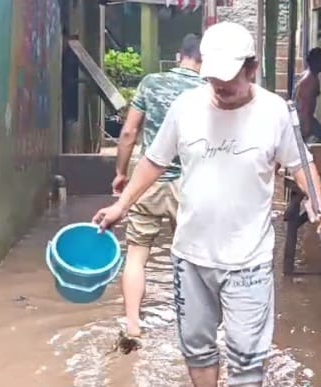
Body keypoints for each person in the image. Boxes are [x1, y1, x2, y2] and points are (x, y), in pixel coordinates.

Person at [93, 22, 321, 387]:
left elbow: (301, 164)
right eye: (213, 81)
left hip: (249, 261)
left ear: (251, 70)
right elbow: (155, 161)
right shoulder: (185, 107)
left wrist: (316, 199)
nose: (220, 90)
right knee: (198, 350)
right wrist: (122, 205)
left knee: (248, 361)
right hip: (191, 258)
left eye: (229, 82)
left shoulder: (274, 112)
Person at [112, 33, 206, 344]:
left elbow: (128, 132)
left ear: (180, 55)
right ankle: (192, 328)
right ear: (203, 60)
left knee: (137, 256)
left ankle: (133, 325)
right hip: (190, 186)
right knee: (193, 259)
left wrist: (121, 173)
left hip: (148, 181)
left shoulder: (151, 83)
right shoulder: (208, 90)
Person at [294, 47, 321, 143]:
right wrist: (306, 127)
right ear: (316, 62)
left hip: (305, 116)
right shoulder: (309, 80)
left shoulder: (312, 76)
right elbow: (304, 106)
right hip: (303, 117)